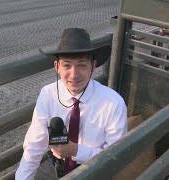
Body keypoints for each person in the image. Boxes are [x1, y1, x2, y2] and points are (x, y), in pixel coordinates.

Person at [15, 28, 128, 180]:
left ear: (93, 66)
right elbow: (34, 144)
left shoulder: (113, 103)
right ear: (57, 67)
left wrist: (76, 150)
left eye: (81, 65)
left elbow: (116, 156)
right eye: (67, 65)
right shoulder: (48, 94)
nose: (74, 75)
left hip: (96, 171)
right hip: (56, 165)